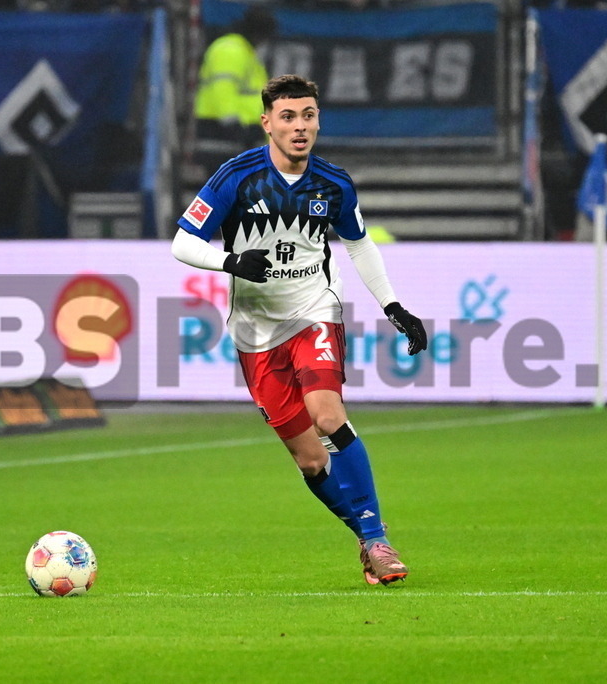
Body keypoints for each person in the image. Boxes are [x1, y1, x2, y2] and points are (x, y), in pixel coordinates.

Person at [172, 74, 428, 586]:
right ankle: (365, 538)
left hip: (314, 312)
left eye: (308, 115)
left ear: (317, 121)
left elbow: (358, 244)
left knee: (327, 414)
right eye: (288, 117)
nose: (299, 126)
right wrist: (232, 262)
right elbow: (183, 242)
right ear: (267, 122)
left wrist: (393, 305)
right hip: (255, 335)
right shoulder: (235, 177)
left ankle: (379, 539)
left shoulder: (333, 183)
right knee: (311, 462)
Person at [192, 6, 276, 178]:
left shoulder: (246, 54)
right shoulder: (230, 50)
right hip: (223, 133)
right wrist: (232, 125)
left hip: (241, 135)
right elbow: (223, 90)